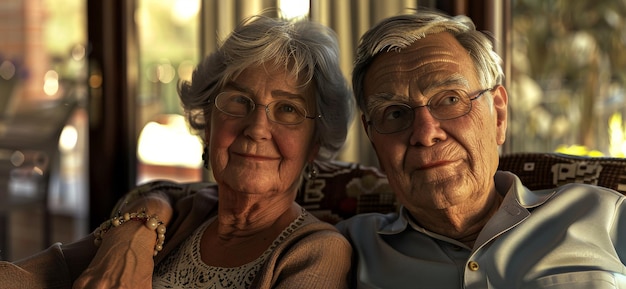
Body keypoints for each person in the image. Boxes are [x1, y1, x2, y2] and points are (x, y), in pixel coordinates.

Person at [0, 15, 354, 288]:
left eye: (288, 109)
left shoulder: (316, 252)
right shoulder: (175, 214)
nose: (257, 128)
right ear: (208, 121)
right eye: (239, 101)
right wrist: (134, 229)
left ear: (315, 144)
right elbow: (37, 274)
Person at [335, 10, 626, 288]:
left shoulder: (604, 216)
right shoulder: (345, 250)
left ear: (498, 116)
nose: (425, 134)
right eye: (395, 113)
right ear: (373, 138)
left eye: (450, 99)